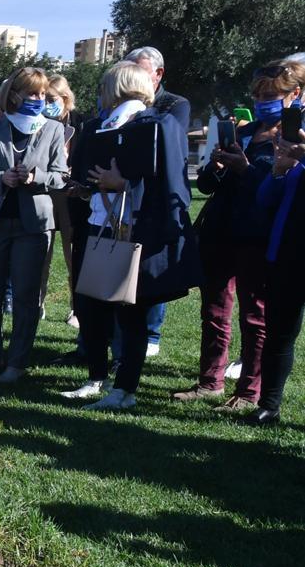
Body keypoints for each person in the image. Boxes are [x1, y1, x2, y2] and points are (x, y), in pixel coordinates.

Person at [61, 61, 198, 410]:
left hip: (135, 231)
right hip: (100, 225)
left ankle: (125, 390)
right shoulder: (102, 126)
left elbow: (170, 185)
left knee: (131, 313)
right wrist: (88, 189)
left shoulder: (157, 124)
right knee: (91, 305)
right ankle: (96, 378)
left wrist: (123, 184)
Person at [173, 62, 301, 410]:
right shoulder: (244, 132)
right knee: (214, 310)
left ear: (295, 95)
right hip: (220, 231)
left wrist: (245, 169)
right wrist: (215, 167)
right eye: (258, 95)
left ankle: (249, 392)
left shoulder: (294, 141)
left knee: (254, 316)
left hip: (257, 237)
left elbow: (278, 190)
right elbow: (207, 186)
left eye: (271, 96)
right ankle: (210, 381)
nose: (262, 102)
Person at [0, 67, 68, 383]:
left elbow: (62, 177)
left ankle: (17, 362)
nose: (38, 99)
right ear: (14, 96)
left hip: (33, 226)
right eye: (32, 93)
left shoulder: (53, 130)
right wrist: (0, 179)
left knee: (26, 296)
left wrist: (36, 178)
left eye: (43, 94)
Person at [125, 46, 191, 358]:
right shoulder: (122, 109)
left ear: (157, 74)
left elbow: (166, 150)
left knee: (153, 273)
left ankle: (151, 334)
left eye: (138, 71)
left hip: (155, 202)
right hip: (127, 203)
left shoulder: (173, 106)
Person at [247, 69, 305, 425]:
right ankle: (269, 404)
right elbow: (265, 200)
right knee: (280, 330)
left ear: (296, 93)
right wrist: (280, 170)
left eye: (275, 93)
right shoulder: (283, 137)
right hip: (287, 248)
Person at [38, 73, 82, 326]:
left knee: (72, 255)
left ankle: (76, 308)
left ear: (65, 99)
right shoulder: (40, 123)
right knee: (41, 252)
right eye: (43, 98)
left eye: (51, 98)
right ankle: (38, 303)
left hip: (71, 197)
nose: (46, 104)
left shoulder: (81, 125)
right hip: (45, 194)